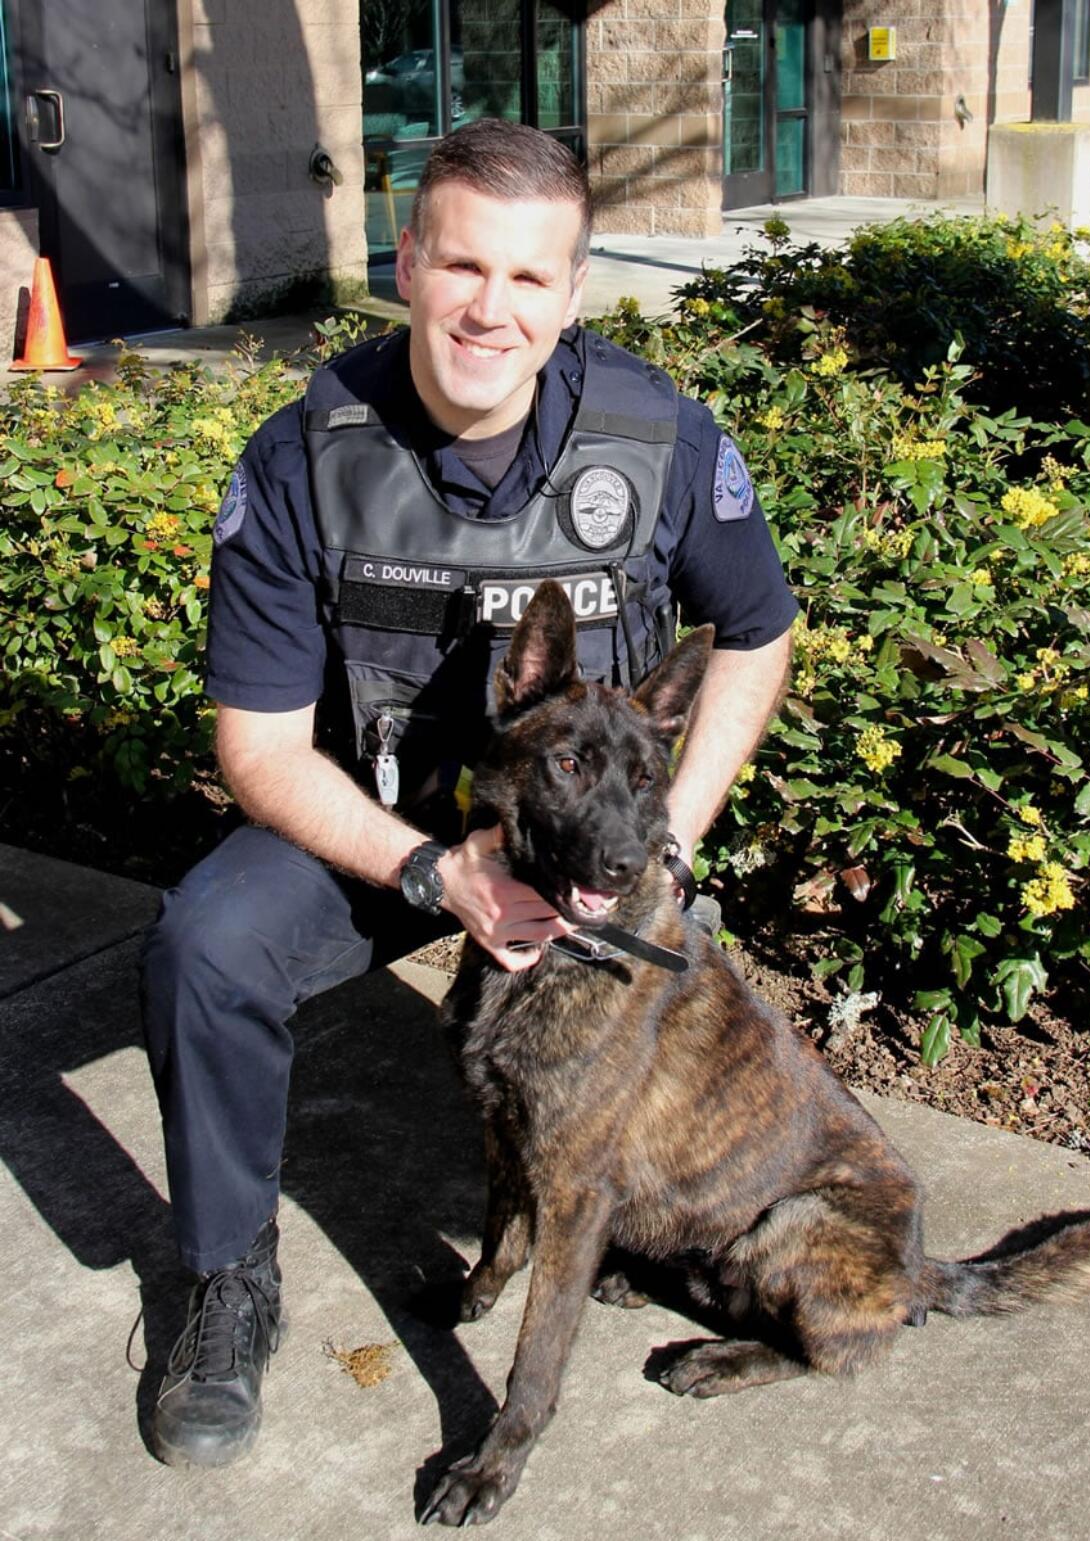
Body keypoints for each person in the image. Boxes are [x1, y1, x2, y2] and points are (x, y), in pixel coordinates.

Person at [140, 119, 797, 1469]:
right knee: (207, 945)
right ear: (407, 258)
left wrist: (670, 834)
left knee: (690, 1077)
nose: (489, 309)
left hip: (592, 841)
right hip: (382, 825)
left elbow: (757, 631)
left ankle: (674, 1238)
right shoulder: (301, 458)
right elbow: (259, 747)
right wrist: (433, 873)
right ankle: (222, 1281)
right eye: (461, 267)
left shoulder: (657, 436)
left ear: (571, 290)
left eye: (528, 277)